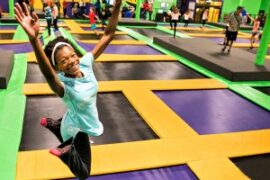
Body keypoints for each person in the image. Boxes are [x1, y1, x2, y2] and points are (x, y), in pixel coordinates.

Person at [14, 0, 122, 178]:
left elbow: (108, 35)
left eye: (72, 55)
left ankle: (54, 124)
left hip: (72, 117)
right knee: (84, 172)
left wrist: (117, 4)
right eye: (64, 61)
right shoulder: (65, 88)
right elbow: (48, 75)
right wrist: (34, 40)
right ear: (58, 68)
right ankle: (66, 152)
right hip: (76, 128)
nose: (72, 61)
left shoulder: (85, 64)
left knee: (69, 118)